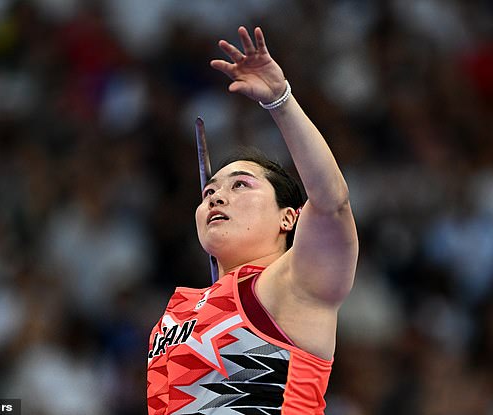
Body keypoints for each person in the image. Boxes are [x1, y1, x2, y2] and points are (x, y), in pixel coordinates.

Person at [147, 26, 358, 414]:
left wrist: (281, 100)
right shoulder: (171, 318)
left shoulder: (294, 285)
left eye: (241, 185)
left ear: (288, 218)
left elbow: (332, 204)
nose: (217, 196)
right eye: (208, 192)